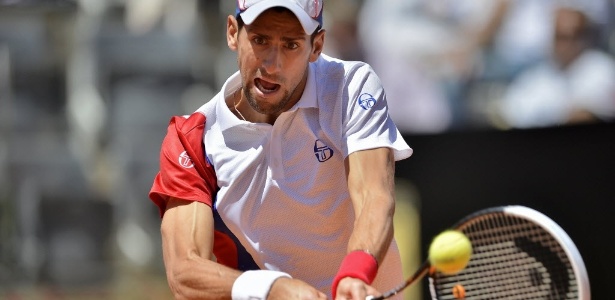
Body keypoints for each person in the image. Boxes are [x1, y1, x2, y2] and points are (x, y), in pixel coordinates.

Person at [148, 1, 413, 299]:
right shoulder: (192, 138)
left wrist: (355, 273)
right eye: (260, 40)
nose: (272, 64)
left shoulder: (351, 86)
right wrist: (273, 288)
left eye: (291, 45)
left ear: (317, 47)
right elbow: (184, 270)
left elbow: (373, 197)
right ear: (233, 33)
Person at [498, 4, 615, 128]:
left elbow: (584, 117)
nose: (562, 45)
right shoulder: (538, 75)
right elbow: (506, 116)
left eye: (567, 37)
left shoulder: (603, 69)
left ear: (582, 38)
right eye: (557, 37)